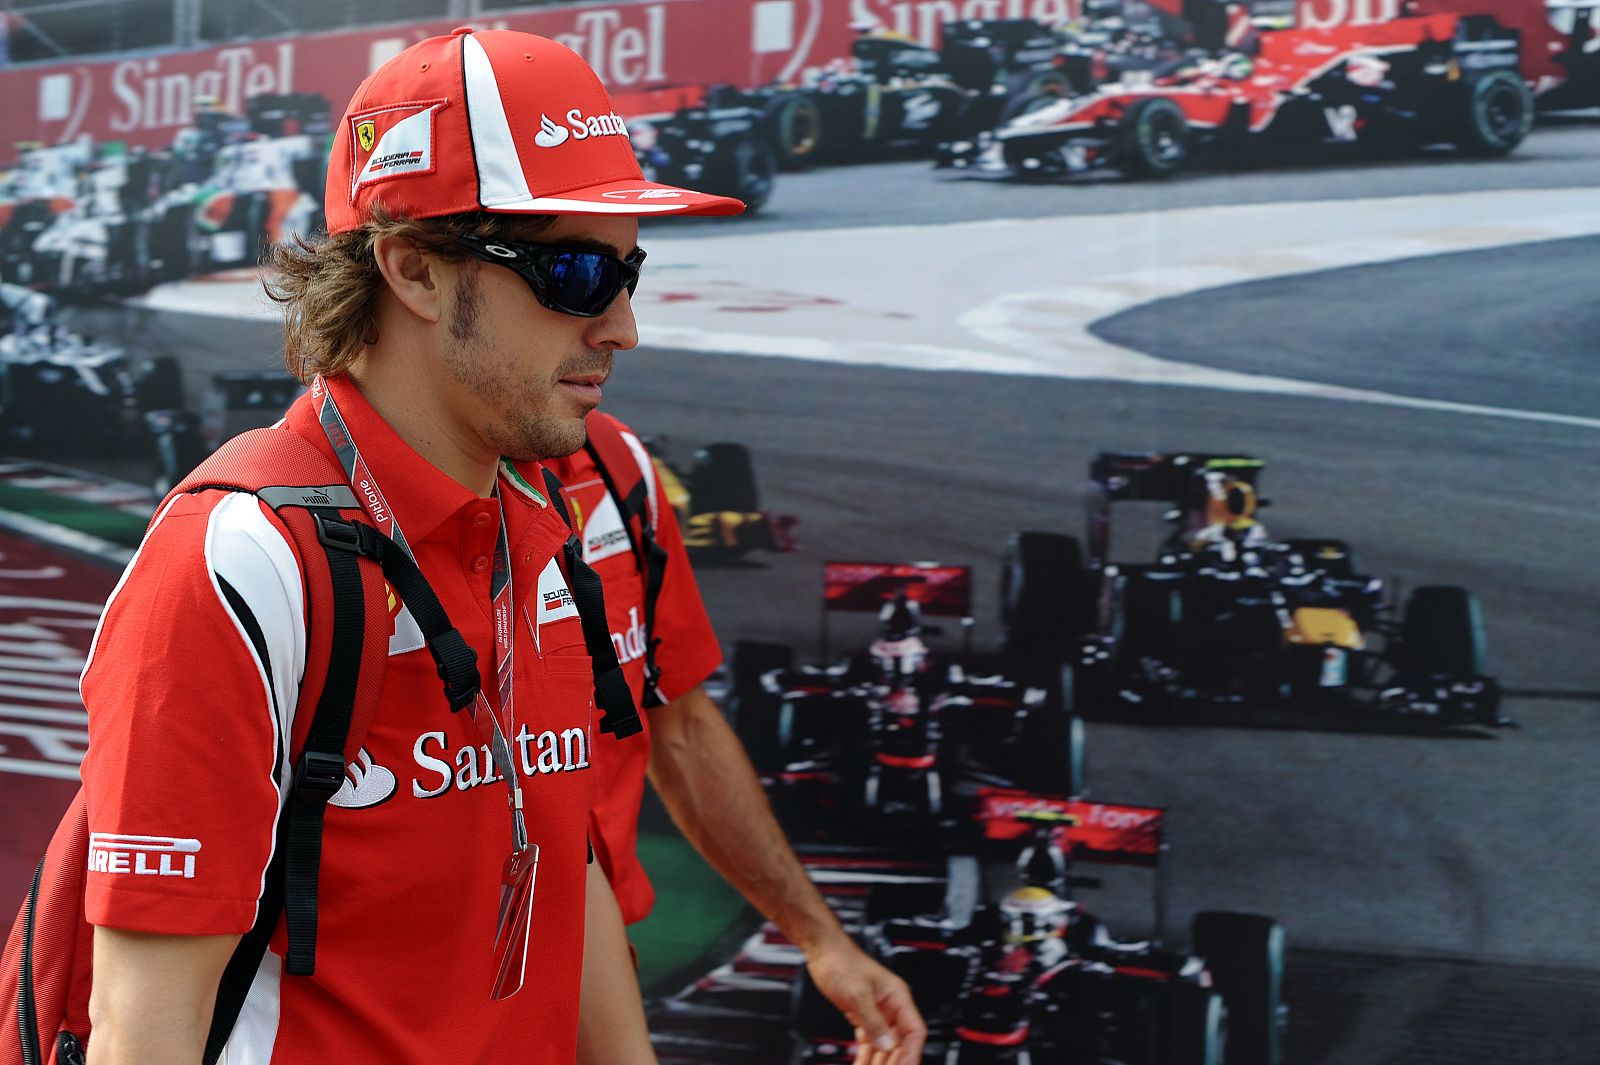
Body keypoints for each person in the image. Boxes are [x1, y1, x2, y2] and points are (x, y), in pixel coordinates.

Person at [78, 27, 745, 1065]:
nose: (621, 327)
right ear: (414, 272)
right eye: (574, 272)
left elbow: (556, 855)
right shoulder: (243, 561)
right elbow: (140, 1029)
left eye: (629, 271)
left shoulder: (542, 523)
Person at [547, 419, 929, 1065]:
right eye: (574, 307)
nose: (618, 332)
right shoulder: (337, 515)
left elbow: (684, 730)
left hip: (586, 963)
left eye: (629, 307)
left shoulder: (620, 465)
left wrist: (820, 939)